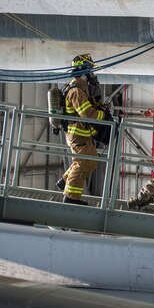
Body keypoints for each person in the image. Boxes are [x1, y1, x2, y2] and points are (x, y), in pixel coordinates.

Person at [55, 54, 109, 205]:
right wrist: (102, 115)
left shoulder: (82, 89)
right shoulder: (76, 91)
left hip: (83, 135)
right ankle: (70, 198)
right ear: (83, 71)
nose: (92, 75)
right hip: (78, 135)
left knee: (91, 161)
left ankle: (65, 181)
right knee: (82, 164)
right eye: (90, 71)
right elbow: (87, 114)